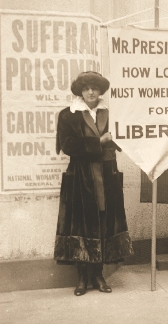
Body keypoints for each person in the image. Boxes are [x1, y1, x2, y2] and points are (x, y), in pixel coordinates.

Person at [54, 71, 133, 296]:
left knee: (103, 223)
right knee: (82, 225)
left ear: (101, 91)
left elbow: (121, 140)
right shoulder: (68, 115)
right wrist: (99, 142)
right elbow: (68, 145)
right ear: (80, 91)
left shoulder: (109, 113)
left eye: (95, 88)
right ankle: (82, 279)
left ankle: (98, 276)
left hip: (106, 177)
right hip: (81, 177)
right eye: (87, 88)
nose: (91, 92)